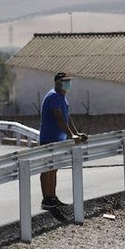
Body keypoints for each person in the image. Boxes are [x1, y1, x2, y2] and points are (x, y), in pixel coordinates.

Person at [38, 71, 89, 209]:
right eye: (65, 81)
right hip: (49, 139)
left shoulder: (62, 97)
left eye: (68, 81)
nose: (68, 83)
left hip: (58, 139)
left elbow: (67, 117)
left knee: (53, 169)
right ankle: (46, 199)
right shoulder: (54, 96)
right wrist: (71, 135)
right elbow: (58, 117)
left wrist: (75, 133)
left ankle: (52, 197)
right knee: (47, 169)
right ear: (57, 82)